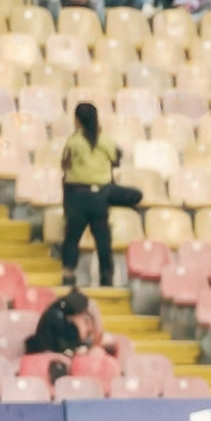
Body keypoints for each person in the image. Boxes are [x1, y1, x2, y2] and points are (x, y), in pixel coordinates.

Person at [59, 101, 126, 288]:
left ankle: (69, 273)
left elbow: (65, 164)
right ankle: (106, 276)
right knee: (103, 238)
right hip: (100, 195)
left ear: (77, 120)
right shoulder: (105, 140)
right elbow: (116, 158)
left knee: (72, 236)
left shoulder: (74, 141)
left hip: (77, 194)